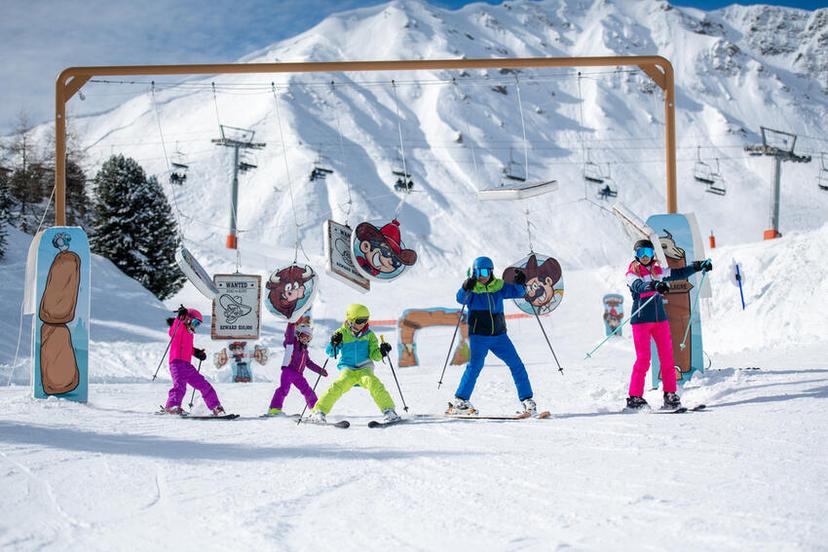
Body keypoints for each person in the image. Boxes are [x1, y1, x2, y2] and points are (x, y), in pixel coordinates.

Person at [625, 239, 713, 410]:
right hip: (641, 321)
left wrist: (698, 266)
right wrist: (654, 285)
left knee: (667, 358)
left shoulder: (658, 271)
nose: (645, 257)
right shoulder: (631, 273)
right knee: (643, 359)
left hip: (660, 321)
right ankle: (635, 397)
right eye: (641, 253)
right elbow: (639, 286)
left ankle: (670, 395)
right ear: (636, 255)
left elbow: (678, 273)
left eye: (648, 253)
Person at [447, 256, 537, 416]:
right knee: (474, 366)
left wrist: (520, 282)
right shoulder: (473, 289)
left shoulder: (499, 287)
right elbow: (461, 299)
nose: (483, 275)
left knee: (517, 364)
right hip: (479, 337)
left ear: (491, 271)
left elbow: (519, 292)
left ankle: (527, 400)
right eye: (479, 272)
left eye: (486, 271)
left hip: (499, 336)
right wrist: (465, 287)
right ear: (474, 273)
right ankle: (460, 400)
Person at [309, 304, 399, 423]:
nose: (363, 323)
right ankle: (318, 411)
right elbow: (331, 353)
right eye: (359, 320)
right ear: (350, 320)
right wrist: (334, 343)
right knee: (337, 386)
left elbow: (374, 356)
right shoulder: (341, 333)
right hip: (348, 368)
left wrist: (382, 352)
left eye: (365, 320)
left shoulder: (369, 335)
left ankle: (389, 411)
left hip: (365, 368)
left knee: (374, 383)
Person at [163, 306, 225, 416]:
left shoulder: (189, 333)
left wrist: (197, 353)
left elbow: (187, 348)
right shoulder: (179, 327)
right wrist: (180, 318)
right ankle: (172, 406)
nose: (195, 325)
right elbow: (173, 332)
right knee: (180, 386)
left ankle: (216, 407)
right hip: (177, 363)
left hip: (187, 365)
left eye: (198, 324)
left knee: (205, 386)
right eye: (195, 322)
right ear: (188, 318)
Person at [266, 322, 328, 416]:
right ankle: (274, 409)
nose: (305, 339)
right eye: (303, 336)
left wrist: (320, 370)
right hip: (288, 371)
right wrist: (291, 324)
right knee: (284, 389)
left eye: (308, 338)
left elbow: (309, 363)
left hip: (298, 375)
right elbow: (289, 334)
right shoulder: (291, 344)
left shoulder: (304, 351)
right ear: (298, 334)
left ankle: (315, 409)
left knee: (308, 390)